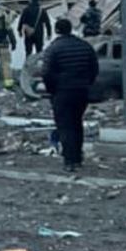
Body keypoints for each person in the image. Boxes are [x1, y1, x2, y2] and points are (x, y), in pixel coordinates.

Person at [42, 18, 99, 173]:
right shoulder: (84, 46)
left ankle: (69, 160)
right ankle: (78, 158)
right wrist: (87, 83)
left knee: (65, 125)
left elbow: (46, 72)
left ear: (56, 30)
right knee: (77, 123)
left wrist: (51, 89)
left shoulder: (54, 48)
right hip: (82, 91)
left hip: (62, 91)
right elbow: (94, 67)